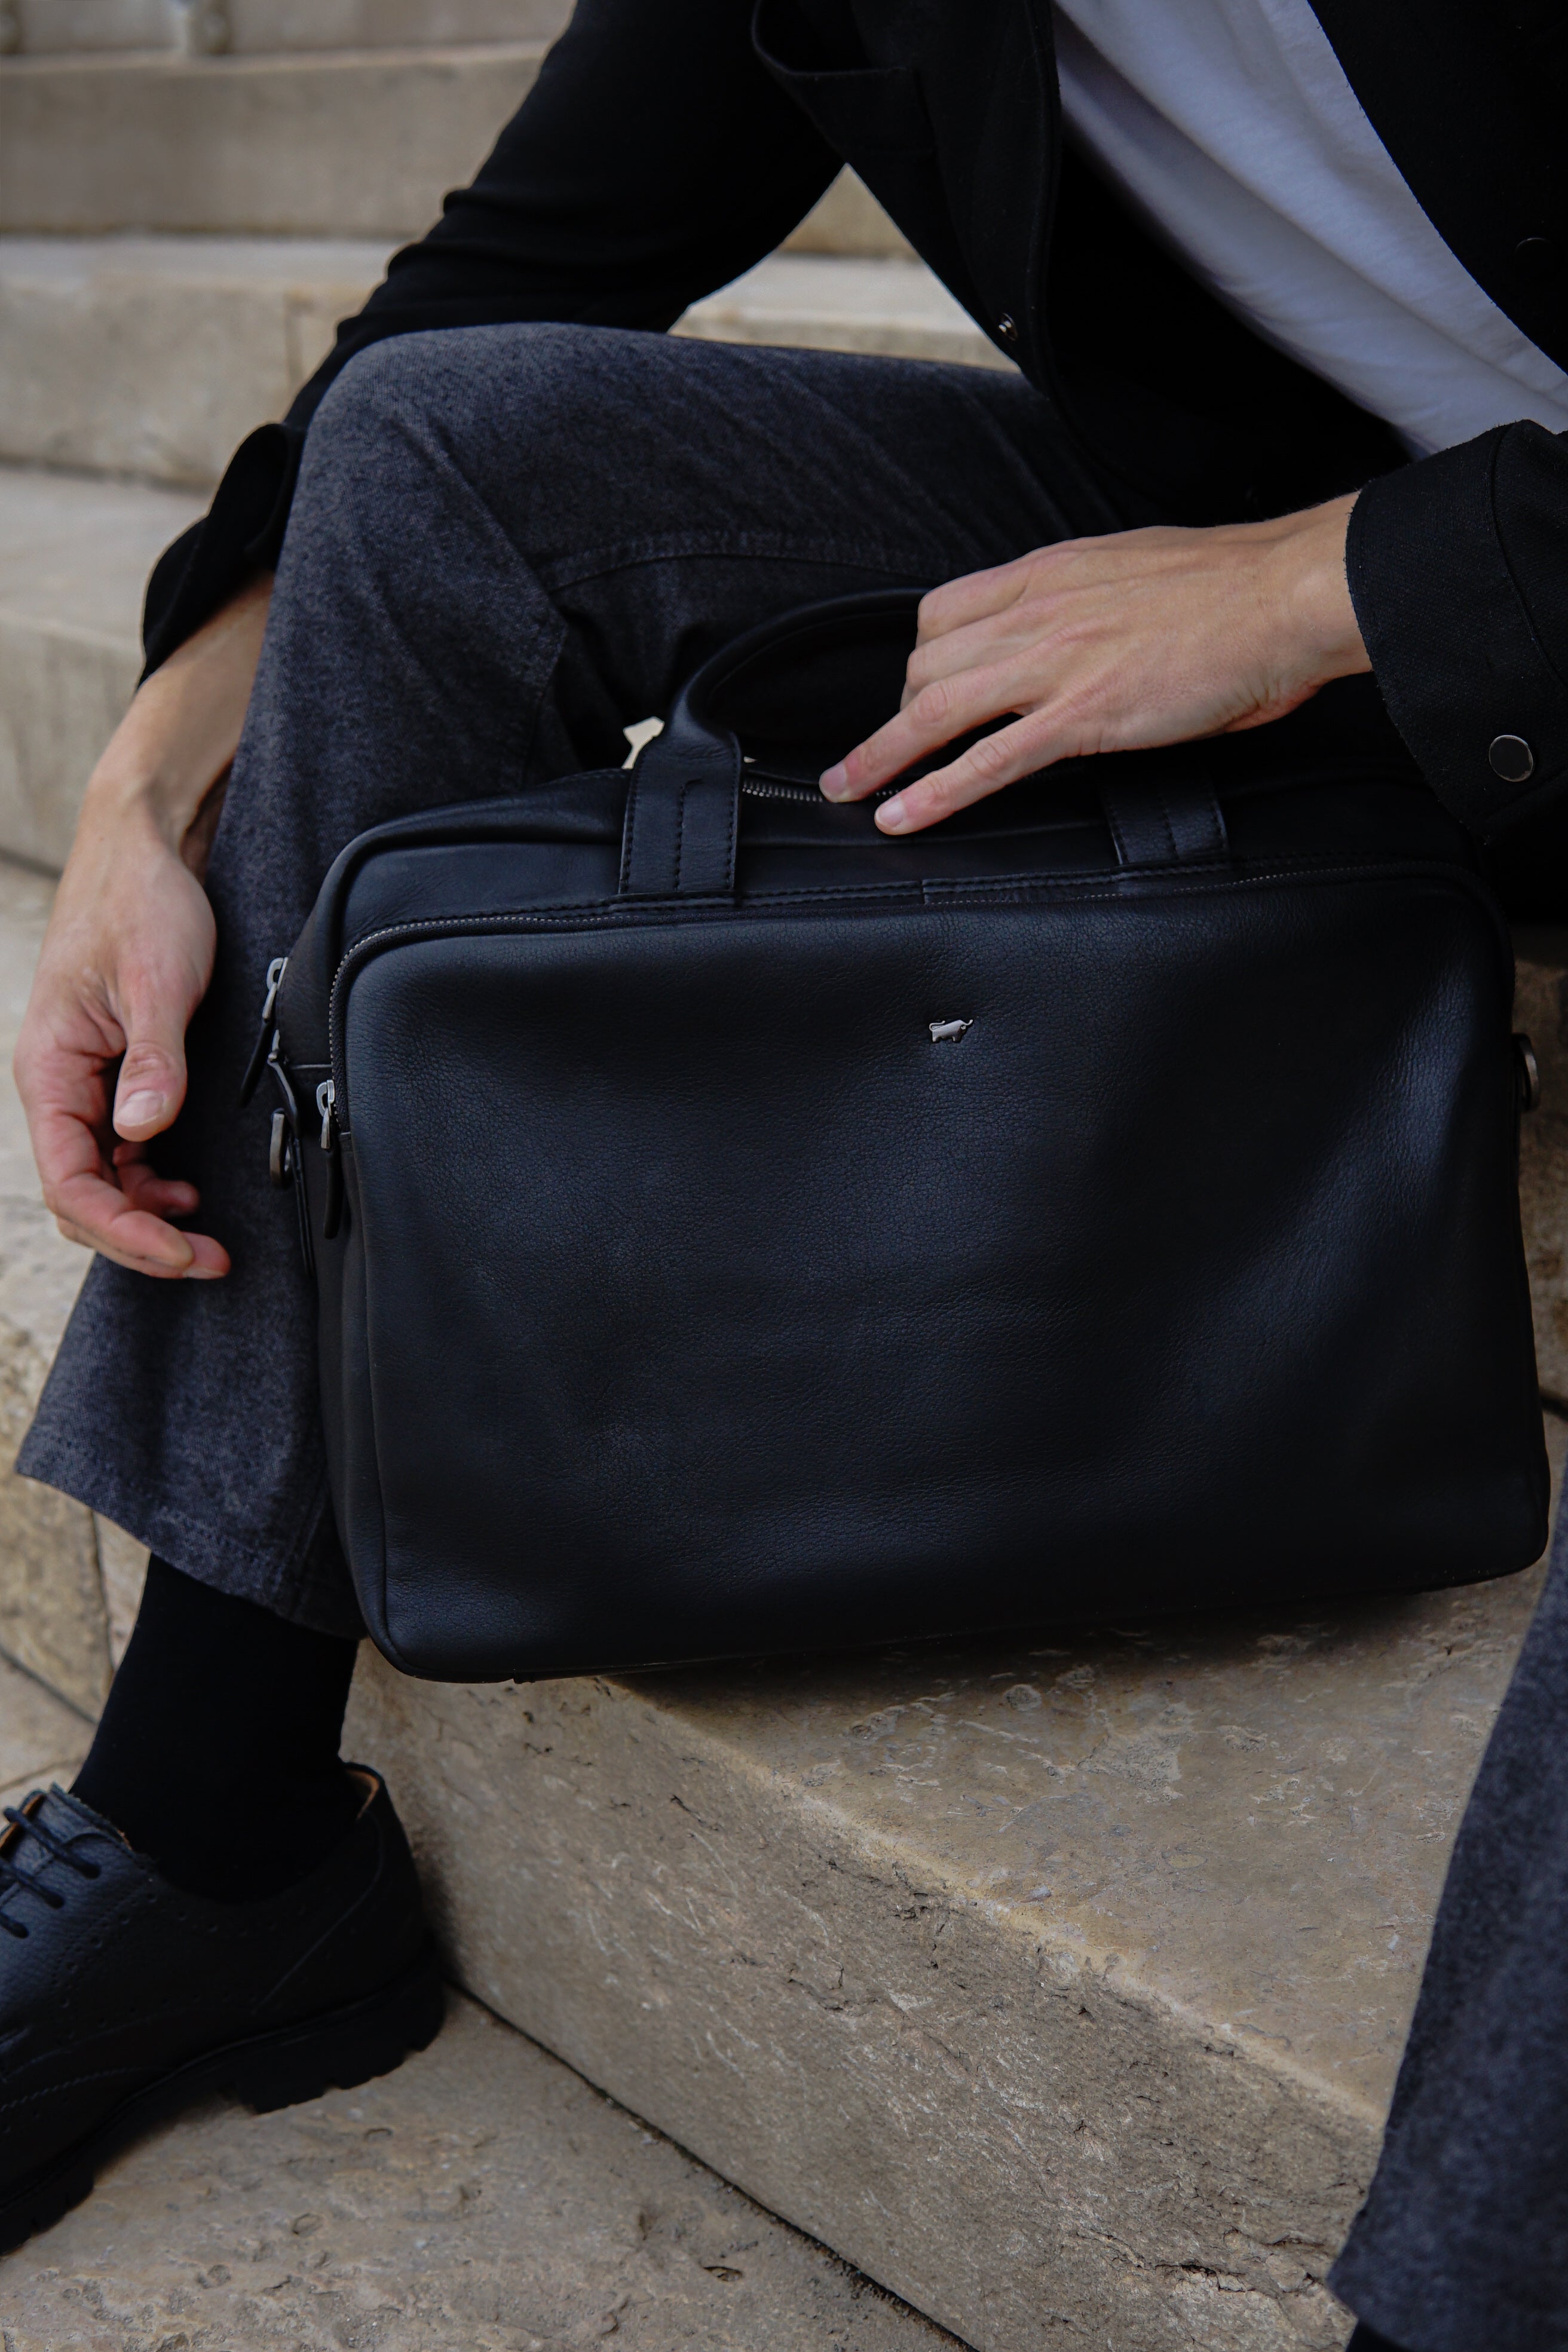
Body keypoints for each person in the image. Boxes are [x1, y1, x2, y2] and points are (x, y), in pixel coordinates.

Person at [0, 0, 1563, 2335]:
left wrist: (1330, 586)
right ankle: (211, 1824)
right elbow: (485, 286)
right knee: (440, 457)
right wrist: (140, 805)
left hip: (1403, 575)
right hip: (1335, 591)